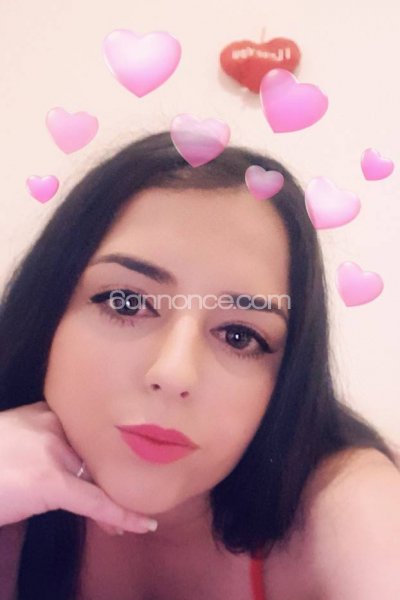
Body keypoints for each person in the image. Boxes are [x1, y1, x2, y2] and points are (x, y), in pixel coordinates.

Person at [0, 130, 399, 600]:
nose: (174, 374)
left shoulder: (342, 503)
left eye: (239, 336)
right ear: (48, 312)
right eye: (126, 302)